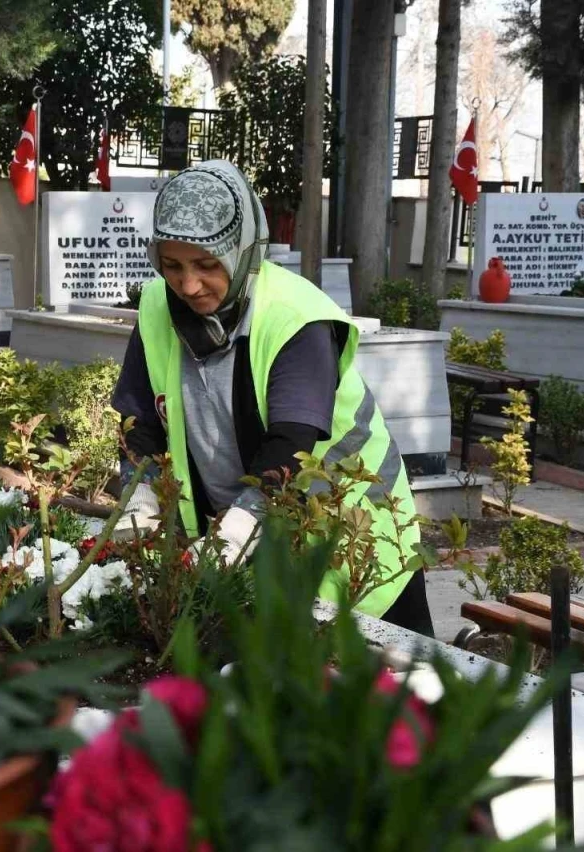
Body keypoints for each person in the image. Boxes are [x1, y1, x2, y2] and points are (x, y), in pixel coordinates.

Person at [111, 160, 433, 635]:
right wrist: (138, 501)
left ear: (244, 253)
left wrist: (235, 532)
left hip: (354, 543)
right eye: (172, 265)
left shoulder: (295, 319)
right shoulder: (159, 305)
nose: (189, 285)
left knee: (396, 697)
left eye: (206, 264)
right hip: (245, 542)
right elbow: (140, 417)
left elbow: (290, 448)